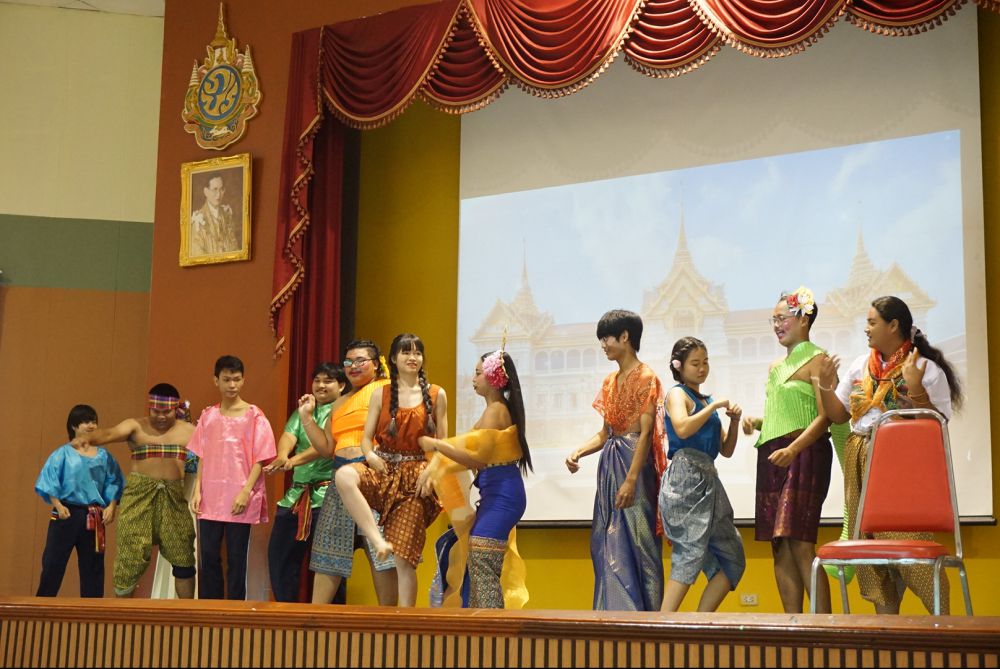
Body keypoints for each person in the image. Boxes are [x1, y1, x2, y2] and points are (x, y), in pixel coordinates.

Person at [815, 295, 963, 614]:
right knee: (870, 552)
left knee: (908, 544)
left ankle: (945, 624)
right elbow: (838, 415)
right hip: (859, 458)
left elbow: (936, 426)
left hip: (899, 466)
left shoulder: (923, 367)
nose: (866, 328)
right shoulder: (860, 365)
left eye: (872, 322)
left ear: (893, 325)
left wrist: (916, 389)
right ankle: (885, 628)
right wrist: (825, 385)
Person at [335, 333, 448, 607]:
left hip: (416, 478)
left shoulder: (436, 393)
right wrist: (369, 455)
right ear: (394, 359)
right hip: (383, 469)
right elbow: (366, 439)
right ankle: (377, 540)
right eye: (406, 352)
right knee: (344, 475)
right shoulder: (381, 393)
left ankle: (406, 621)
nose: (413, 357)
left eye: (417, 353)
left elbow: (443, 444)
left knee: (404, 560)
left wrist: (431, 471)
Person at [565, 309, 665, 611]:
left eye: (607, 338)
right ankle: (612, 614)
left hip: (635, 466)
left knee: (639, 541)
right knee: (607, 542)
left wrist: (631, 481)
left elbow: (645, 434)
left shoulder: (646, 377)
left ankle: (647, 619)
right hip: (610, 467)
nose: (603, 345)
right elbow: (605, 433)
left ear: (625, 337)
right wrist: (579, 451)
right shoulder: (610, 381)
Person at [742, 286, 833, 614]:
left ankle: (825, 628)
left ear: (804, 319)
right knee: (779, 545)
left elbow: (825, 417)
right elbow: (784, 415)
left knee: (800, 543)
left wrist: (793, 449)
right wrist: (758, 422)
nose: (777, 325)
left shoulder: (819, 359)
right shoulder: (774, 367)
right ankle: (792, 626)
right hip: (773, 454)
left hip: (805, 453)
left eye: (783, 318)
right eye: (774, 320)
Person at [418, 348, 532, 609]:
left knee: (482, 559)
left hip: (503, 495)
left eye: (479, 373)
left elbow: (477, 459)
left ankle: (493, 627)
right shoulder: (493, 410)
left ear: (493, 377)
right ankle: (482, 624)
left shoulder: (495, 411)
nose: (473, 378)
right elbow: (471, 456)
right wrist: (436, 465)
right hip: (497, 493)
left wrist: (438, 445)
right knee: (478, 561)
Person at [74, 383, 198, 598]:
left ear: (175, 409)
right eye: (156, 411)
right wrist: (87, 437)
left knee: (184, 557)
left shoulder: (190, 431)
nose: (161, 417)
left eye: (166, 412)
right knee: (129, 557)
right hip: (138, 498)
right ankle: (123, 615)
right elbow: (109, 433)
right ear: (149, 407)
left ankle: (188, 615)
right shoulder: (135, 426)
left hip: (174, 499)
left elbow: (211, 455)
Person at [301, 339, 397, 605]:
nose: (353, 366)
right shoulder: (339, 403)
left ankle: (389, 621)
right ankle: (314, 620)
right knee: (327, 556)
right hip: (339, 479)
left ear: (376, 365)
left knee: (382, 555)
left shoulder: (386, 390)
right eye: (348, 362)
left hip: (372, 477)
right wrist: (307, 418)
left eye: (360, 361)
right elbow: (327, 448)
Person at [659, 337, 746, 612]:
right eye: (695, 363)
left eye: (705, 362)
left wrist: (734, 421)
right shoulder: (677, 394)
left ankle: (700, 621)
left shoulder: (706, 400)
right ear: (679, 366)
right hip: (685, 478)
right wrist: (713, 407)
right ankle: (663, 623)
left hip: (710, 480)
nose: (702, 368)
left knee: (732, 557)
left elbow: (726, 450)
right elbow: (682, 428)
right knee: (689, 552)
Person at [187, 355, 276, 600]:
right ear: (216, 380)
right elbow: (202, 455)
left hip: (240, 496)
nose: (232, 385)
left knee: (237, 559)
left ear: (243, 380)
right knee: (208, 556)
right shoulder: (208, 415)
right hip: (210, 497)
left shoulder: (254, 416)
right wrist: (197, 490)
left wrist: (246, 492)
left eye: (236, 379)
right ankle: (210, 608)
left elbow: (260, 458)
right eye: (226, 379)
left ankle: (235, 610)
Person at [264, 362, 347, 602]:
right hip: (297, 497)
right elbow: (289, 434)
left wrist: (292, 461)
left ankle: (331, 616)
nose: (321, 385)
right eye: (317, 380)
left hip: (328, 497)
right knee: (280, 557)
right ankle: (287, 613)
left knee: (330, 563)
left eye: (328, 381)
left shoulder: (342, 410)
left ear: (341, 386)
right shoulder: (304, 410)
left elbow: (325, 447)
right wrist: (282, 455)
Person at [35, 405, 124, 597]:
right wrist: (58, 505)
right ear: (74, 425)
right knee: (53, 563)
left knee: (93, 567)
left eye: (94, 421)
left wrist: (112, 506)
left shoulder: (104, 456)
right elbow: (49, 480)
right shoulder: (62, 454)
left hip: (94, 515)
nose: (91, 425)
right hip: (65, 514)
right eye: (86, 421)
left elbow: (115, 481)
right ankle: (42, 605)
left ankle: (92, 610)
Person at [190, 172, 239, 256]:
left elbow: (235, 248)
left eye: (221, 189)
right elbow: (197, 254)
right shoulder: (198, 220)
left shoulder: (227, 215)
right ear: (206, 192)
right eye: (215, 189)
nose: (219, 194)